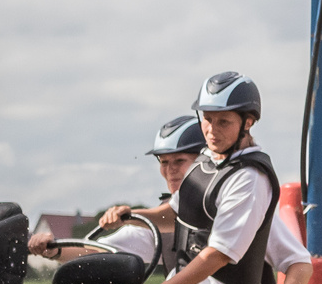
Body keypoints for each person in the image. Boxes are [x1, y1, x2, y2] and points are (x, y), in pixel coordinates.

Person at [98, 73, 313, 284]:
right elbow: (174, 213)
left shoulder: (249, 183)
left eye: (223, 122)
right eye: (207, 120)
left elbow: (219, 256)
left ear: (248, 122)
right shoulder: (208, 166)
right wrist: (136, 216)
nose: (212, 130)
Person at [27, 114, 205, 266]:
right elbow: (98, 251)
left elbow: (176, 215)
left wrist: (129, 216)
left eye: (179, 161)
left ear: (203, 162)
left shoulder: (222, 202)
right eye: (164, 162)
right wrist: (53, 249)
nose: (170, 170)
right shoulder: (150, 227)